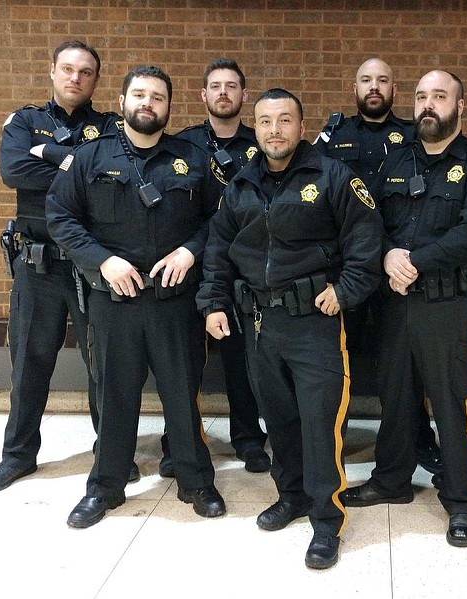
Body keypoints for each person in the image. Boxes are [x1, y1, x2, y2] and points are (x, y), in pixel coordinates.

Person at [196, 88, 382, 569]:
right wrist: (213, 302)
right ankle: (292, 495)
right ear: (254, 128)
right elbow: (218, 248)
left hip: (314, 322)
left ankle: (326, 521)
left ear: (301, 126)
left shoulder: (334, 176)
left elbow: (365, 242)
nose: (274, 130)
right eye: (264, 122)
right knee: (279, 419)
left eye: (284, 120)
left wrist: (346, 289)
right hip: (258, 322)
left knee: (320, 424)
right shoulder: (240, 184)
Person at [46, 65, 225, 528]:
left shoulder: (193, 158)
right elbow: (61, 217)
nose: (148, 103)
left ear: (169, 106)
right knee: (114, 396)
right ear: (124, 101)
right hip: (115, 301)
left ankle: (196, 482)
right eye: (139, 95)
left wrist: (191, 250)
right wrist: (102, 260)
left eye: (158, 97)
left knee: (182, 397)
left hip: (175, 302)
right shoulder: (90, 156)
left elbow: (220, 221)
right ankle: (105, 487)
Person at [343, 70, 467, 548]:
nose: (428, 105)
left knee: (454, 401)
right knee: (395, 396)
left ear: (461, 106)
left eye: (440, 96)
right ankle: (392, 480)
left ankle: (461, 499)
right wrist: (387, 253)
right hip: (396, 302)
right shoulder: (394, 160)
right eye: (421, 97)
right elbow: (368, 219)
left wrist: (414, 260)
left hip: (450, 303)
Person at [0, 40, 133, 494]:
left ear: (96, 80)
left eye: (86, 72)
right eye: (68, 69)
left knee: (103, 365)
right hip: (36, 264)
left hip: (88, 266)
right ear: (52, 71)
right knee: (28, 363)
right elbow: (13, 172)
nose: (75, 78)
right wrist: (76, 169)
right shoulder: (26, 121)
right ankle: (18, 456)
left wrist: (52, 160)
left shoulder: (109, 127)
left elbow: (113, 180)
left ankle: (113, 455)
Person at [314, 57, 442, 477]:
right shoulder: (334, 136)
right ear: (354, 88)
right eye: (366, 79)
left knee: (404, 365)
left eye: (383, 80)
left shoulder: (412, 136)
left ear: (394, 90)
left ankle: (417, 438)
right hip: (346, 267)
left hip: (396, 269)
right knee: (338, 361)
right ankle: (336, 439)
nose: (374, 87)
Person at [165, 58, 269, 475]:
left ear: (244, 96)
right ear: (203, 95)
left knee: (242, 361)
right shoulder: (182, 144)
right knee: (185, 362)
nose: (223, 92)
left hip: (242, 270)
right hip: (189, 269)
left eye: (232, 86)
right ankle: (181, 440)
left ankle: (248, 438)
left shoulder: (261, 143)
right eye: (215, 86)